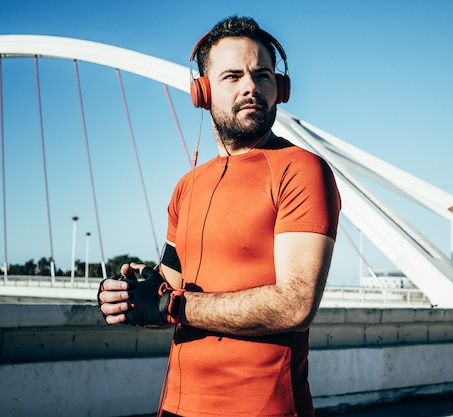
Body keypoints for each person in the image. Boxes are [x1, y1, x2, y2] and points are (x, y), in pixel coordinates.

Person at [97, 15, 341, 417]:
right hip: (175, 407)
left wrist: (171, 307)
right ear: (203, 92)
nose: (251, 87)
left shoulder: (302, 170)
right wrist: (133, 294)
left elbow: (296, 304)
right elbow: (170, 285)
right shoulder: (186, 187)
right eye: (232, 76)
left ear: (280, 89)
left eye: (263, 75)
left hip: (264, 410)